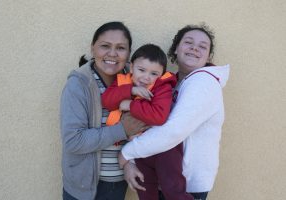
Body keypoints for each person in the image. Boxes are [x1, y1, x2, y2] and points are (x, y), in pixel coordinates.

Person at [118, 24, 230, 200]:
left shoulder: (203, 83)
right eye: (188, 42)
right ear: (176, 48)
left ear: (208, 56)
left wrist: (126, 154)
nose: (194, 48)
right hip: (164, 177)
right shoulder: (170, 82)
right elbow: (148, 126)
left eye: (202, 46)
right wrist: (132, 162)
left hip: (186, 185)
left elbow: (173, 131)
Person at [60, 21, 147, 200]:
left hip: (119, 184)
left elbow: (144, 130)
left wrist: (131, 161)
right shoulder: (79, 84)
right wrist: (122, 129)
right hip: (84, 188)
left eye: (121, 48)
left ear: (129, 53)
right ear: (93, 49)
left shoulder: (137, 81)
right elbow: (73, 141)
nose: (112, 54)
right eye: (105, 46)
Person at [102, 44, 193, 200]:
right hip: (140, 149)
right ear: (131, 67)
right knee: (145, 189)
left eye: (154, 73)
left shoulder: (162, 88)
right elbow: (107, 101)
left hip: (165, 148)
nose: (146, 77)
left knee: (173, 188)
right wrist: (130, 91)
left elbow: (159, 117)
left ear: (161, 74)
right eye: (141, 70)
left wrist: (129, 104)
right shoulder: (123, 83)